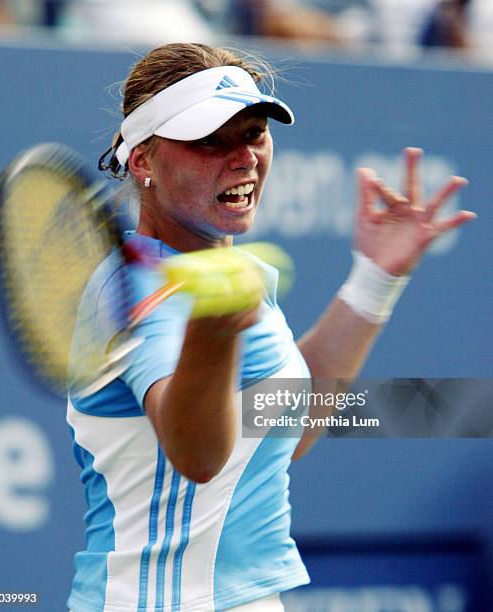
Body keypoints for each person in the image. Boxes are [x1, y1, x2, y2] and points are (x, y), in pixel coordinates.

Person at [66, 42, 475, 612]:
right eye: (210, 141)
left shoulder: (232, 275)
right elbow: (199, 456)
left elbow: (287, 425)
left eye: (254, 132)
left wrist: (375, 279)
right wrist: (214, 331)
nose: (243, 158)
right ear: (143, 161)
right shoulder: (137, 286)